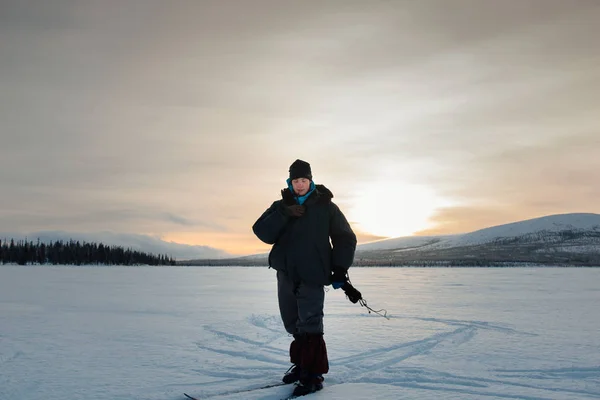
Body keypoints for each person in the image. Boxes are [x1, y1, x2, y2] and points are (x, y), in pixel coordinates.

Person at [252, 159, 357, 396]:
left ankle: (314, 374)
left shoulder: (326, 207)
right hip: (286, 272)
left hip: (312, 273)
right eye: (296, 181)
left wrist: (339, 268)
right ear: (290, 182)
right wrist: (284, 213)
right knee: (292, 322)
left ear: (311, 181)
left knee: (310, 323)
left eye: (304, 180)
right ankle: (302, 366)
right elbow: (262, 232)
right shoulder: (280, 206)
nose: (299, 185)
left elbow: (345, 238)